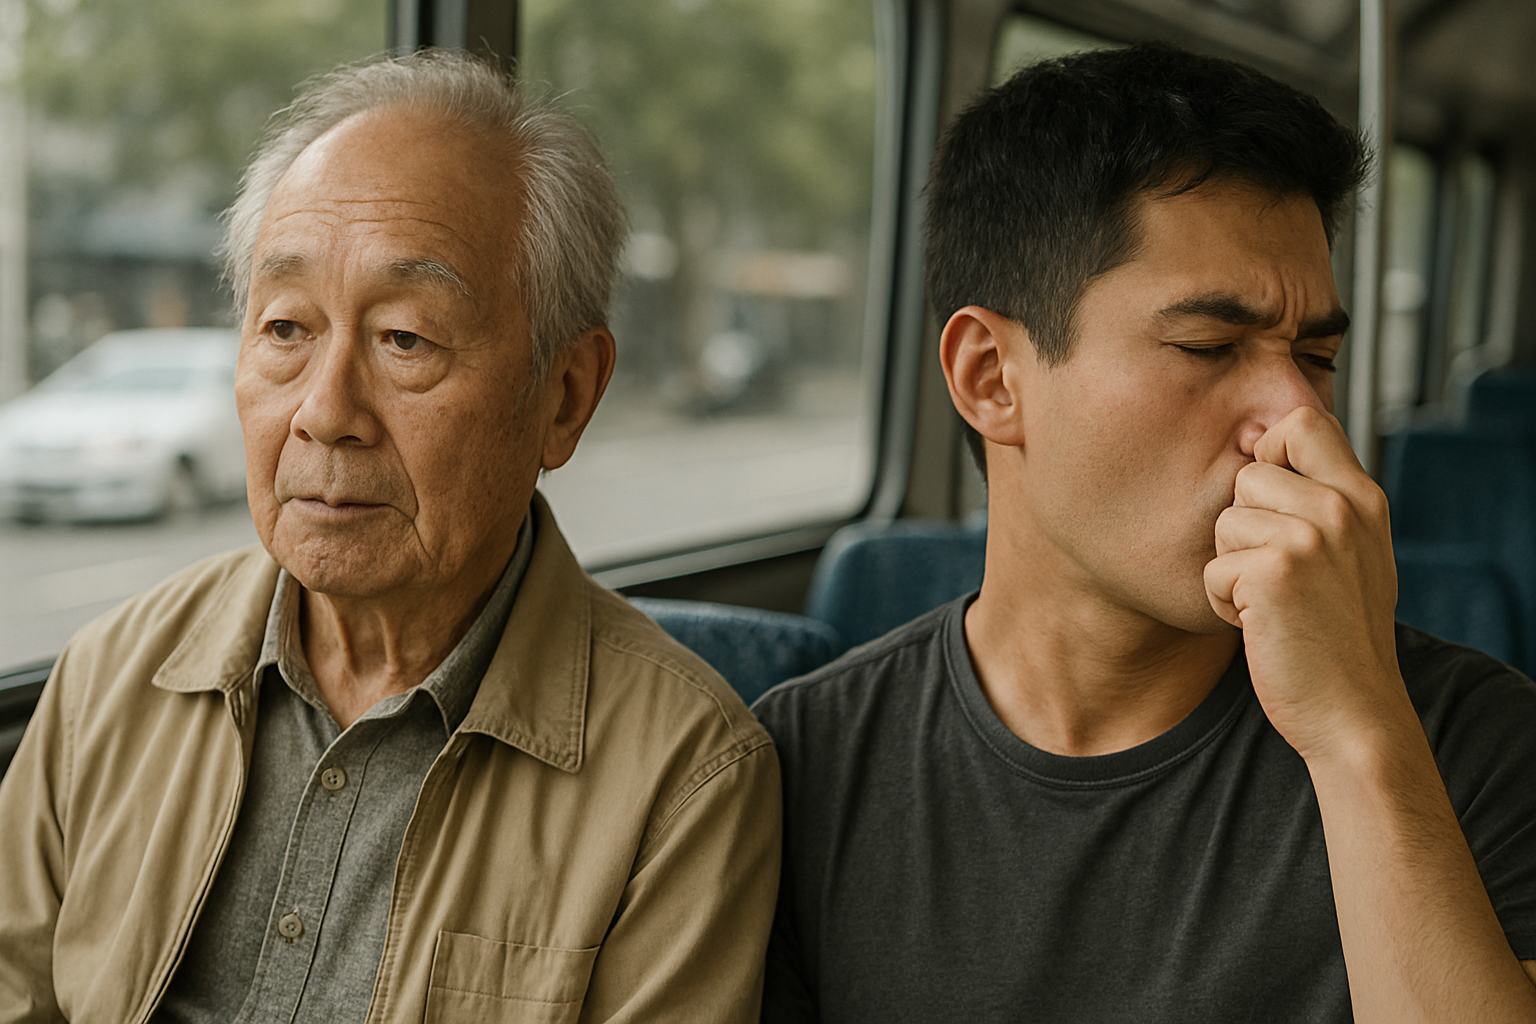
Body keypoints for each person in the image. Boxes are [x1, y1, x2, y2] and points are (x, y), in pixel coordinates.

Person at [754, 42, 1536, 1023]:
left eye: (1317, 356)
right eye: (1209, 347)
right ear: (991, 378)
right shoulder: (798, 765)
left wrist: (1356, 731)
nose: (1299, 417)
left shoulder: (1475, 743)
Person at [0, 50, 780, 1023]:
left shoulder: (684, 778)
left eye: (405, 338)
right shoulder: (108, 679)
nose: (325, 413)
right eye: (286, 329)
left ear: (566, 395)